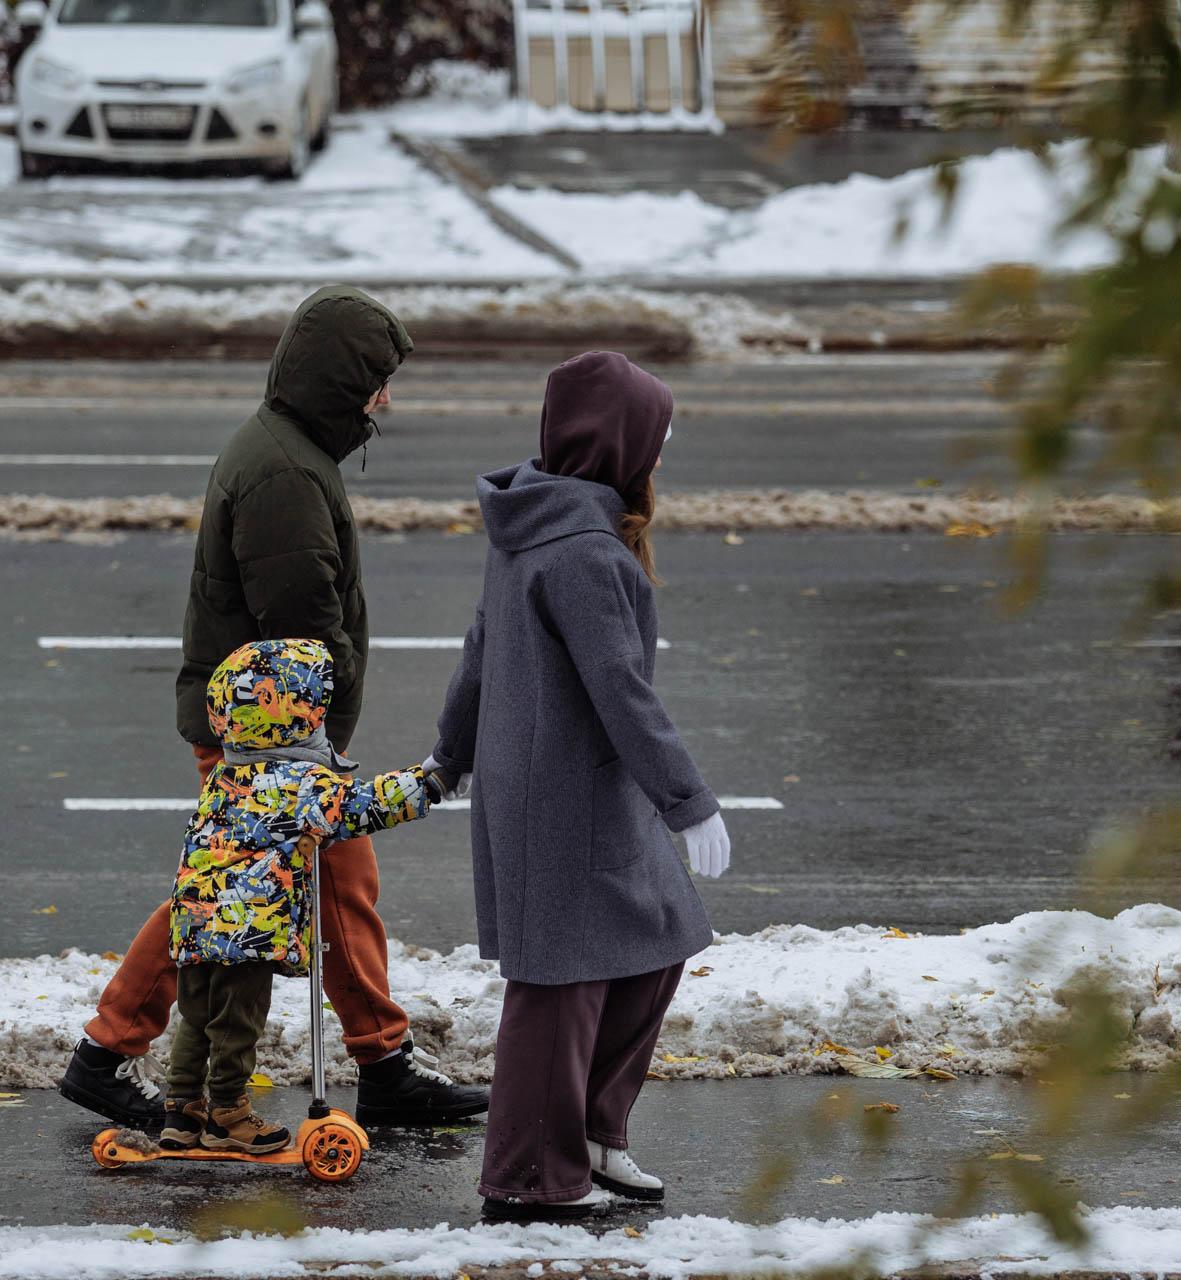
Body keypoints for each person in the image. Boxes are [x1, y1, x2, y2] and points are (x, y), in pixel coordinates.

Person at [59, 285, 488, 1131]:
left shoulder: (289, 449)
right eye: (376, 380)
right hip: (271, 737)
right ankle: (110, 1053)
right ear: (337, 379)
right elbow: (303, 625)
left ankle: (379, 1057)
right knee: (233, 894)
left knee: (258, 889)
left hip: (272, 732)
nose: (386, 398)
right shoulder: (285, 472)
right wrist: (316, 741)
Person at [428, 350, 733, 1224]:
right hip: (564, 800)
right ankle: (531, 1178)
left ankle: (594, 1134)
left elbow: (478, 651)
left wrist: (451, 755)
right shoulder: (584, 551)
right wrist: (691, 801)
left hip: (574, 794)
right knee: (557, 987)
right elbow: (622, 692)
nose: (662, 458)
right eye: (657, 440)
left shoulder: (537, 523)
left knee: (661, 934)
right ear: (621, 447)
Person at [160, 638, 436, 1153]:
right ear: (298, 713)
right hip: (250, 926)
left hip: (195, 919)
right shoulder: (297, 780)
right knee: (237, 1022)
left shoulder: (227, 773)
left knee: (196, 1014)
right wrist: (429, 783)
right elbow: (359, 806)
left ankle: (181, 1110)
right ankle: (227, 1114)